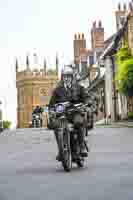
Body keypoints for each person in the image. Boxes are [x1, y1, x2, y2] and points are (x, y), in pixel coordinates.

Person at [48, 65, 89, 161]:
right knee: (56, 126)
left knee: (78, 122)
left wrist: (87, 103)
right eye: (64, 76)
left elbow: (86, 97)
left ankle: (82, 146)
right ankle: (61, 150)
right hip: (62, 115)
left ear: (71, 77)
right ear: (62, 78)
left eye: (68, 76)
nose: (66, 78)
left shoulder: (79, 88)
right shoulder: (57, 90)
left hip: (75, 113)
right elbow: (51, 104)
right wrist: (51, 110)